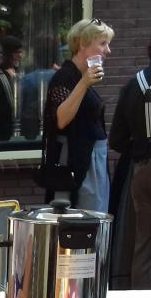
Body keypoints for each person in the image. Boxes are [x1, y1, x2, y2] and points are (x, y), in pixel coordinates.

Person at [42, 18, 114, 212]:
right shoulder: (65, 77)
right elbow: (61, 120)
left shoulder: (78, 75)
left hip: (91, 159)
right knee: (81, 219)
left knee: (95, 217)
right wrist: (84, 83)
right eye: (103, 44)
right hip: (76, 162)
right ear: (82, 43)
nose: (108, 51)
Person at [108, 42, 151, 288]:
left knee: (143, 243)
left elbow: (116, 139)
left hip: (143, 169)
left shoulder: (133, 85)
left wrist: (141, 149)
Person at [0, 35, 24, 142]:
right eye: (16, 52)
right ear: (7, 54)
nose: (20, 56)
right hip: (2, 133)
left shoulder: (19, 73)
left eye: (21, 52)